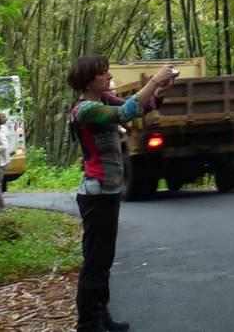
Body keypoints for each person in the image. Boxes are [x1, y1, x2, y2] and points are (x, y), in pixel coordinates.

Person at [67, 55, 175, 332]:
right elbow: (125, 112)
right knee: (95, 261)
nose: (108, 77)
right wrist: (154, 80)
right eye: (103, 74)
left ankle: (101, 316)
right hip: (96, 191)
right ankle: (88, 323)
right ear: (89, 80)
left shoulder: (102, 100)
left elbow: (142, 108)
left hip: (108, 189)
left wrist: (160, 90)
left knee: (103, 260)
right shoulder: (85, 109)